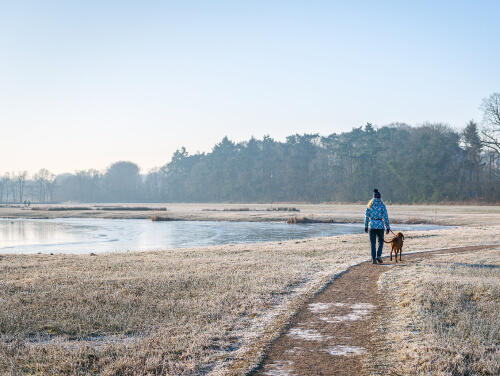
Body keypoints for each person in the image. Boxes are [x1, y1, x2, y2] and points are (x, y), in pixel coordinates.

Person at [364, 189, 390, 264]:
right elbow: (385, 217)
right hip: (380, 226)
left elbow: (366, 216)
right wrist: (387, 227)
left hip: (371, 226)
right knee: (381, 241)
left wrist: (366, 226)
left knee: (373, 243)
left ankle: (373, 259)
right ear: (380, 197)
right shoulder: (382, 205)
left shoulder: (370, 205)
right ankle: (378, 255)